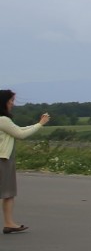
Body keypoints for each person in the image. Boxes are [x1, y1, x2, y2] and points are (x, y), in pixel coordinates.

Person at [1, 90, 52, 234]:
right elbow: (21, 134)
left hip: (5, 159)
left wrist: (36, 124)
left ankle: (9, 223)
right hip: (3, 160)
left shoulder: (4, 121)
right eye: (11, 100)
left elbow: (18, 130)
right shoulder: (3, 120)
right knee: (7, 192)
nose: (12, 103)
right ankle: (9, 223)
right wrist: (40, 124)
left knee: (7, 193)